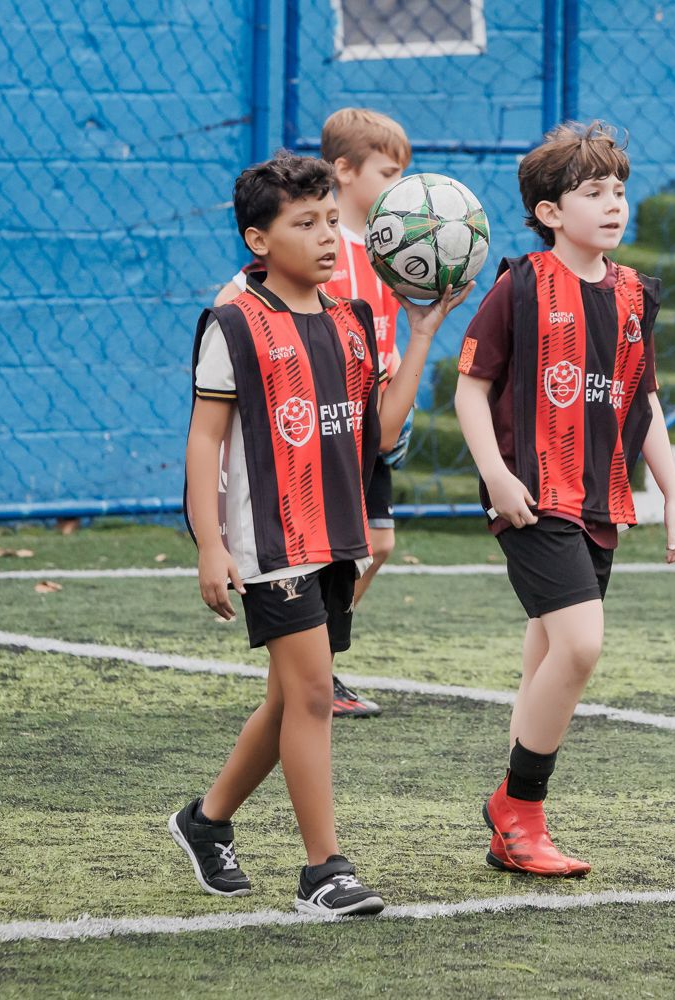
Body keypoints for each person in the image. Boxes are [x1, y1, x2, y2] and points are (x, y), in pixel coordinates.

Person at [172, 152, 471, 915]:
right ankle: (323, 872)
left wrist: (424, 328)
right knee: (309, 696)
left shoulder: (351, 321)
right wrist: (210, 542)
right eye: (305, 224)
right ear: (258, 240)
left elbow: (379, 436)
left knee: (287, 701)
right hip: (268, 541)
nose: (329, 236)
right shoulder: (234, 326)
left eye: (333, 220)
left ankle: (205, 823)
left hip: (333, 535)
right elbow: (205, 440)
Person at [453, 121, 675, 877]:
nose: (613, 204)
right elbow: (472, 386)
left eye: (619, 190)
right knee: (583, 646)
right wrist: (495, 472)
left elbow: (641, 402)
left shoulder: (632, 296)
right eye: (593, 193)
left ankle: (510, 831)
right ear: (550, 212)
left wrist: (673, 491)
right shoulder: (519, 284)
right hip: (531, 495)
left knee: (549, 657)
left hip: (599, 501)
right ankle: (518, 807)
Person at [216, 108, 413, 719]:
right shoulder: (316, 249)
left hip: (368, 415)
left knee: (376, 544)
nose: (400, 185)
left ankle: (316, 659)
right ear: (344, 170)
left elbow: (384, 332)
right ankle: (310, 663)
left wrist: (398, 378)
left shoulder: (391, 249)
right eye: (389, 172)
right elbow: (240, 295)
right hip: (317, 422)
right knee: (361, 544)